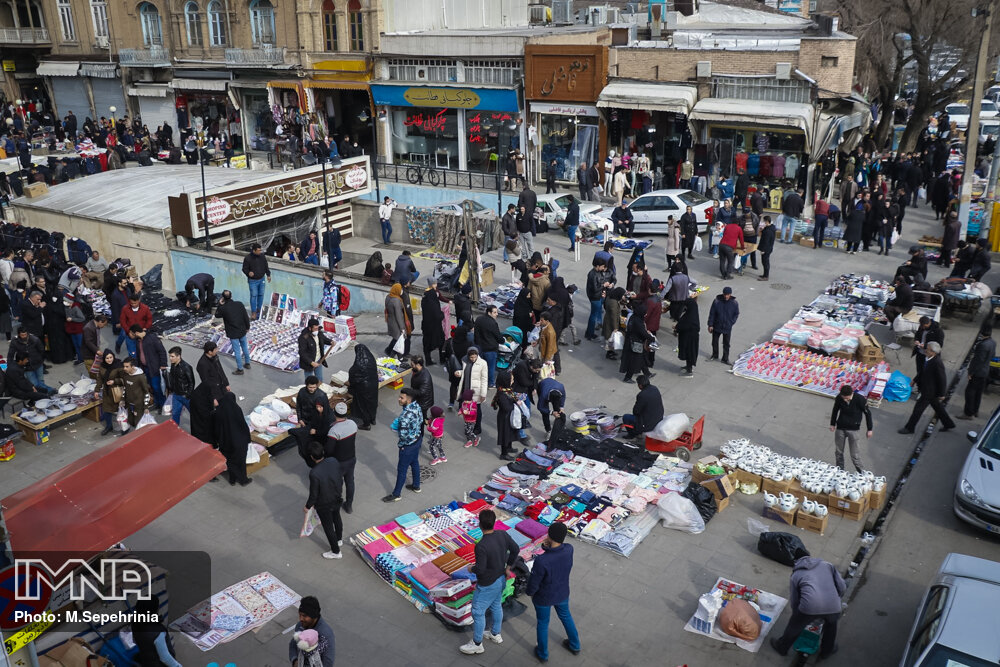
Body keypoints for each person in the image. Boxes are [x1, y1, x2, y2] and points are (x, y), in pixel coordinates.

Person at [459, 509, 520, 656]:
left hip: (487, 584)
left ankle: (477, 643)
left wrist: (470, 568)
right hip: (500, 579)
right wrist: (508, 567)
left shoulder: (481, 545)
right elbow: (515, 549)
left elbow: (480, 569)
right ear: (494, 522)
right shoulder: (502, 534)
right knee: (496, 605)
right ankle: (495, 634)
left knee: (478, 612)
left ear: (480, 525)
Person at [769, 556, 845, 659]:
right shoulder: (827, 565)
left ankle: (782, 647)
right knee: (831, 626)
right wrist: (836, 600)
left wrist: (797, 616)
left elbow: (795, 599)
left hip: (810, 607)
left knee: (794, 626)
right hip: (834, 605)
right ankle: (826, 651)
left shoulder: (796, 575)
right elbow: (842, 586)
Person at [526, 521, 582, 662]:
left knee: (543, 623)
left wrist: (530, 593)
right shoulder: (569, 549)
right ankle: (575, 645)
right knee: (566, 616)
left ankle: (543, 653)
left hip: (544, 597)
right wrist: (547, 547)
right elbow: (556, 555)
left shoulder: (542, 560)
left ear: (549, 536)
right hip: (562, 592)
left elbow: (535, 582)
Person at [898, 341, 955, 434]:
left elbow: (942, 379)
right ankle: (948, 423)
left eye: (927, 349)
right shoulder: (928, 358)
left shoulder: (937, 363)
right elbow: (922, 371)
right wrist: (915, 380)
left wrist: (942, 394)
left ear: (933, 352)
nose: (925, 350)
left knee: (918, 410)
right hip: (928, 390)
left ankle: (909, 428)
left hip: (929, 391)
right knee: (938, 408)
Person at [305, 441, 344, 559]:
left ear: (312, 457)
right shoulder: (333, 460)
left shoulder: (314, 473)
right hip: (337, 497)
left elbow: (314, 494)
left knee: (328, 527)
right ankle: (339, 539)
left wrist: (307, 506)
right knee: (337, 518)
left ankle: (336, 552)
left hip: (324, 504)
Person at [383, 387, 424, 502]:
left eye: (401, 398)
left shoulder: (405, 416)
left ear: (408, 400)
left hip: (408, 446)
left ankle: (396, 494)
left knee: (402, 470)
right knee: (415, 462)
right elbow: (421, 421)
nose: (399, 399)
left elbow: (403, 435)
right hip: (418, 439)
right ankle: (416, 486)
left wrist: (401, 445)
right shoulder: (417, 406)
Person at [829, 384, 873, 472]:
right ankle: (840, 471)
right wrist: (832, 424)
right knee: (838, 452)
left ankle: (862, 473)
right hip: (841, 428)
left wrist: (869, 429)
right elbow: (835, 410)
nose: (845, 400)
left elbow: (868, 413)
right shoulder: (839, 398)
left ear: (852, 393)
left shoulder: (860, 399)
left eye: (847, 398)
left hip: (854, 430)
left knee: (855, 455)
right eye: (843, 398)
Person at [131, 594, 181, 667]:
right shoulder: (157, 632)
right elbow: (165, 658)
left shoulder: (135, 623)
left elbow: (134, 641)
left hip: (146, 660)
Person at [215, 391, 252, 486]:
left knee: (230, 460)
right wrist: (248, 438)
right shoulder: (237, 409)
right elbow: (243, 425)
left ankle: (232, 479)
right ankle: (243, 479)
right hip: (240, 441)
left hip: (226, 442)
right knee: (241, 461)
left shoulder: (219, 411)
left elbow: (217, 428)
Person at [288, 596, 335, 667]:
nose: (301, 619)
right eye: (300, 614)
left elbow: (328, 662)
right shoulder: (300, 626)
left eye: (304, 616)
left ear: (314, 616)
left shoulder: (326, 634)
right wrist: (295, 660)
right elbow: (293, 645)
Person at [960, 328, 995, 420]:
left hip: (978, 372)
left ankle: (968, 413)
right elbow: (992, 356)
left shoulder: (982, 345)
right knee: (978, 392)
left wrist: (971, 372)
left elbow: (978, 361)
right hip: (985, 371)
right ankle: (975, 410)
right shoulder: (993, 343)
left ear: (982, 334)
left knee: (970, 392)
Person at [109, 357, 153, 428]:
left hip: (139, 406)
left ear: (132, 366)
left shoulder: (140, 377)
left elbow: (146, 393)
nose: (124, 368)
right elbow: (125, 387)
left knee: (138, 424)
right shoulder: (126, 375)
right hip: (129, 404)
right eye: (124, 366)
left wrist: (146, 407)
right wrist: (122, 399)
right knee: (131, 422)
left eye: (127, 367)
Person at [214, 290, 251, 375]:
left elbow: (217, 315)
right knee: (245, 347)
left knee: (237, 351)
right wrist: (247, 327)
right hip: (242, 330)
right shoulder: (239, 304)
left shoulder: (223, 308)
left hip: (233, 333)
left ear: (223, 298)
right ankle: (247, 363)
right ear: (231, 296)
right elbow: (245, 317)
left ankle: (240, 369)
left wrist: (220, 304)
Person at [9, 328, 55, 394]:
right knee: (35, 385)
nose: (24, 336)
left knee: (41, 382)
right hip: (27, 367)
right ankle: (50, 390)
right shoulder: (15, 341)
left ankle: (46, 394)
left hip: (38, 364)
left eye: (25, 334)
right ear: (19, 334)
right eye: (22, 335)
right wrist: (10, 366)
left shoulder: (35, 339)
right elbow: (10, 354)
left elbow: (42, 351)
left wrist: (39, 360)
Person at [132, 325, 168, 409]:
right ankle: (156, 403)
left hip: (154, 368)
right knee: (151, 387)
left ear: (137, 333)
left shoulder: (152, 338)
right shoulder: (138, 341)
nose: (133, 336)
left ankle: (162, 405)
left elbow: (162, 351)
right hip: (145, 368)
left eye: (133, 334)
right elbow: (138, 354)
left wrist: (163, 365)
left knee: (157, 387)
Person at [457, 346, 489, 443]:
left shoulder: (483, 363)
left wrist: (483, 394)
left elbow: (484, 379)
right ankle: (469, 427)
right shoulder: (464, 360)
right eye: (471, 357)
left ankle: (477, 427)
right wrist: (459, 372)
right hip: (466, 391)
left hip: (476, 391)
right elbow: (466, 372)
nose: (473, 359)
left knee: (476, 410)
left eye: (475, 357)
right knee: (466, 409)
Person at [622, 374, 663, 438]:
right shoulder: (655, 388)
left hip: (648, 424)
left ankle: (632, 435)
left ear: (640, 385)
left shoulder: (641, 395)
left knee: (626, 417)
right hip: (659, 417)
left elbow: (635, 411)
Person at [348, 344, 378, 430]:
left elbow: (354, 377)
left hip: (362, 389)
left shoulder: (358, 364)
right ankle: (373, 419)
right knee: (372, 404)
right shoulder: (371, 359)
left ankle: (366, 424)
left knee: (363, 406)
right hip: (373, 386)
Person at [708, 286, 739, 365]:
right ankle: (715, 355)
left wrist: (732, 322)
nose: (726, 296)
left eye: (728, 294)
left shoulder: (734, 303)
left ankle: (725, 359)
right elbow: (712, 313)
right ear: (723, 294)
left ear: (730, 294)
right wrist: (710, 324)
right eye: (725, 294)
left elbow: (736, 314)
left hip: (727, 327)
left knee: (726, 344)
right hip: (717, 325)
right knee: (714, 341)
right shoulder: (716, 301)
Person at [165, 346, 194, 427]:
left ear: (179, 356)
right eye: (170, 356)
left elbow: (191, 382)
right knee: (175, 414)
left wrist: (188, 395)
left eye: (172, 356)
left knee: (194, 414)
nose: (170, 358)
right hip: (176, 395)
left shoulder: (186, 367)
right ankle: (175, 431)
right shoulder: (173, 365)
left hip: (185, 396)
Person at [585, 259, 614, 341]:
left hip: (598, 296)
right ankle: (590, 334)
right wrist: (603, 285)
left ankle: (589, 333)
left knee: (594, 314)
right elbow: (595, 288)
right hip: (595, 297)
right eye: (602, 266)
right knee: (593, 316)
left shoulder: (596, 272)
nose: (603, 268)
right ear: (597, 266)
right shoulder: (593, 274)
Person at [474, 305, 503, 387]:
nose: (497, 314)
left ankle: (479, 381)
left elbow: (476, 333)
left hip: (479, 347)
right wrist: (502, 340)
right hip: (490, 349)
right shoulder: (493, 323)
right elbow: (498, 336)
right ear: (489, 313)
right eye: (495, 312)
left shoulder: (479, 319)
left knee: (480, 367)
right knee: (490, 367)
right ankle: (490, 383)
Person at [196, 341, 231, 406]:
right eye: (215, 349)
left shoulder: (215, 357)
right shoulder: (202, 364)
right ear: (210, 352)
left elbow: (221, 370)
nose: (217, 350)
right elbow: (206, 383)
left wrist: (226, 383)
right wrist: (213, 398)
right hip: (215, 391)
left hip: (221, 386)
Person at [242, 243, 271, 318]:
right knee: (254, 295)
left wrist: (268, 275)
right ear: (254, 250)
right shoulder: (248, 258)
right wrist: (248, 273)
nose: (260, 252)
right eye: (258, 250)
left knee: (261, 294)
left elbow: (266, 265)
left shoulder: (262, 256)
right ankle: (254, 312)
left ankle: (259, 310)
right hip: (253, 281)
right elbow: (244, 269)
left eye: (260, 250)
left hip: (262, 279)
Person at [912, 316, 944, 386]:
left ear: (928, 323)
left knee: (926, 373)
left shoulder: (938, 331)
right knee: (919, 371)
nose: (922, 328)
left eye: (924, 326)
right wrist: (917, 340)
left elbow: (939, 345)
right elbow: (917, 335)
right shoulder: (921, 327)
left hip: (929, 355)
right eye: (921, 326)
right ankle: (919, 386)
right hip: (920, 353)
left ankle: (924, 387)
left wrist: (926, 346)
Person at [420, 278, 445, 364]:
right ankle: (442, 359)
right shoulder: (432, 300)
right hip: (435, 326)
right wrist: (442, 314)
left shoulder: (425, 296)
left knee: (427, 343)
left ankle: (428, 360)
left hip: (426, 324)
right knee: (441, 341)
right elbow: (437, 315)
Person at [298, 318, 331, 383]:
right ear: (310, 328)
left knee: (320, 380)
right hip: (309, 363)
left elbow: (324, 339)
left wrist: (331, 342)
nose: (317, 330)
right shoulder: (303, 338)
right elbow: (302, 353)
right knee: (310, 382)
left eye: (318, 328)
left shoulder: (319, 333)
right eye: (315, 329)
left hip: (318, 360)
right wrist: (311, 362)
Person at [675, 295, 700, 377]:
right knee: (688, 352)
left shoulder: (690, 317)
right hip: (689, 337)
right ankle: (688, 366)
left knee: (689, 353)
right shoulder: (692, 313)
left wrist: (677, 327)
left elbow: (685, 325)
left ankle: (689, 371)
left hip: (689, 339)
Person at [384, 283, 411, 357]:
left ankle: (392, 353)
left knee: (396, 338)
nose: (401, 291)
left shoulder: (388, 297)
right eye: (400, 289)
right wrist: (402, 328)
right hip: (396, 323)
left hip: (390, 321)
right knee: (398, 339)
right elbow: (399, 315)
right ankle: (392, 354)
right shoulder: (397, 301)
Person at [603, 286, 625, 360]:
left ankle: (610, 352)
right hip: (610, 323)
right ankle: (609, 353)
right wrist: (615, 327)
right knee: (610, 338)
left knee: (609, 338)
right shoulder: (614, 303)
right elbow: (614, 316)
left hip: (607, 320)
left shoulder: (610, 297)